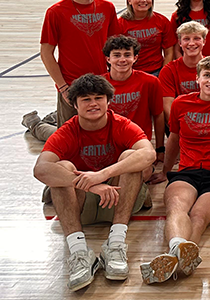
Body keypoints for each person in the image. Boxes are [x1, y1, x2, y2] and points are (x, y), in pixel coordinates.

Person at [33, 74, 156, 290]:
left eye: (99, 98)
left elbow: (149, 155)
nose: (93, 104)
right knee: (61, 168)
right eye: (86, 99)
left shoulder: (122, 124)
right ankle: (79, 252)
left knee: (131, 158)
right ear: (74, 105)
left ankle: (116, 243)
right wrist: (91, 184)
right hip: (80, 205)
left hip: (119, 198)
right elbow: (40, 169)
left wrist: (101, 175)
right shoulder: (67, 131)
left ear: (108, 101)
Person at [141, 57, 210, 284]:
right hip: (187, 171)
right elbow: (174, 139)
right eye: (207, 75)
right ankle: (180, 256)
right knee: (176, 209)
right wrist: (166, 170)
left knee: (198, 217)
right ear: (197, 78)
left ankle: (174, 259)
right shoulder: (181, 103)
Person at [27, 0, 119, 143]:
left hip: (100, 83)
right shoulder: (56, 12)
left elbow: (113, 48)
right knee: (67, 141)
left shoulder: (107, 8)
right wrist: (62, 87)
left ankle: (54, 117)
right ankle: (35, 124)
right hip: (71, 85)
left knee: (99, 137)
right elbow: (46, 53)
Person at [103, 35, 165, 183]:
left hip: (137, 146)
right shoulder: (100, 84)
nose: (122, 60)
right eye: (116, 55)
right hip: (108, 148)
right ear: (108, 59)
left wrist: (160, 149)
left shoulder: (150, 82)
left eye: (127, 55)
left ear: (135, 58)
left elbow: (158, 115)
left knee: (141, 174)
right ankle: (39, 126)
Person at [159, 21, 210, 120]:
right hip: (183, 121)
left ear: (204, 41)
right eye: (186, 39)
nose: (191, 43)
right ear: (180, 43)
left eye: (196, 38)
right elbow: (167, 106)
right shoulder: (169, 70)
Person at [116, 0, 175, 75]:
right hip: (131, 73)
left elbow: (169, 52)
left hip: (157, 71)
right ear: (129, 1)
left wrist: (164, 73)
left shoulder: (162, 21)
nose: (143, 0)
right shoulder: (120, 24)